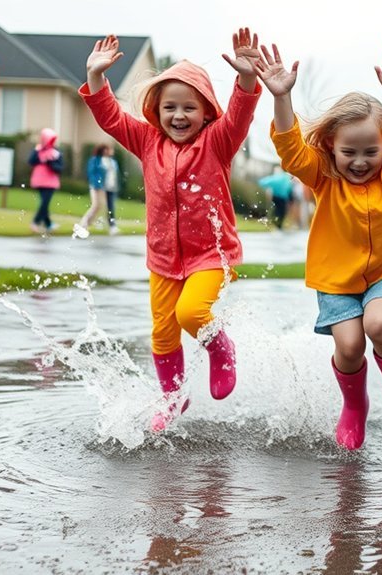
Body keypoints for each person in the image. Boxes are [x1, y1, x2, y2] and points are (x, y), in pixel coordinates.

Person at [259, 40, 382, 450]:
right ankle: (354, 406)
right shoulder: (322, 174)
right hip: (336, 279)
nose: (359, 161)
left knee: (378, 326)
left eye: (370, 151)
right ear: (330, 149)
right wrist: (282, 97)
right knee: (351, 345)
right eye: (349, 152)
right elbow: (289, 150)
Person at [81, 30, 263, 431]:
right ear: (156, 111)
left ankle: (222, 349)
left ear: (206, 111)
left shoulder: (218, 141)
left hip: (211, 255)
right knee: (163, 333)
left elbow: (240, 114)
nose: (179, 116)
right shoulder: (147, 141)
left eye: (189, 108)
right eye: (170, 108)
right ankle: (172, 399)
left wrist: (247, 79)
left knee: (191, 312)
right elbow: (110, 116)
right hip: (163, 258)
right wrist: (96, 78)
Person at [80, 144, 122, 234]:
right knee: (96, 206)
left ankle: (86, 225)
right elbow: (91, 173)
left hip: (109, 187)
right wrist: (97, 184)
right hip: (98, 187)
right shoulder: (96, 160)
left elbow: (115, 174)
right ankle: (83, 224)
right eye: (108, 149)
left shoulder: (112, 162)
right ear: (104, 150)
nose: (110, 151)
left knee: (103, 207)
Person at [28, 128, 63, 234]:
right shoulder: (38, 150)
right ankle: (42, 223)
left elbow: (60, 168)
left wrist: (49, 162)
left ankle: (43, 223)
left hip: (51, 182)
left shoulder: (55, 153)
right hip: (39, 180)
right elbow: (31, 161)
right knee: (44, 203)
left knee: (45, 202)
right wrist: (39, 153)